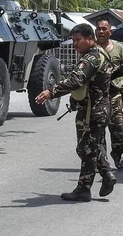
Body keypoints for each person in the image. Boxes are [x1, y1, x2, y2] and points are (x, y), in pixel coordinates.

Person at [34, 24, 117, 202]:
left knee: (86, 149)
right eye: (73, 40)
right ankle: (106, 174)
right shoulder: (99, 54)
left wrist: (51, 91)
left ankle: (84, 189)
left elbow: (75, 80)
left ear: (90, 38)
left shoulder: (92, 58)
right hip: (98, 109)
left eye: (78, 40)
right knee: (94, 146)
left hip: (92, 111)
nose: (74, 44)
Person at [94, 18, 123, 170]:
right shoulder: (91, 48)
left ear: (110, 32)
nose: (101, 31)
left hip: (115, 95)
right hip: (97, 96)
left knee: (119, 127)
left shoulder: (118, 48)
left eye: (104, 29)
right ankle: (102, 161)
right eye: (98, 29)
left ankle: (117, 154)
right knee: (98, 131)